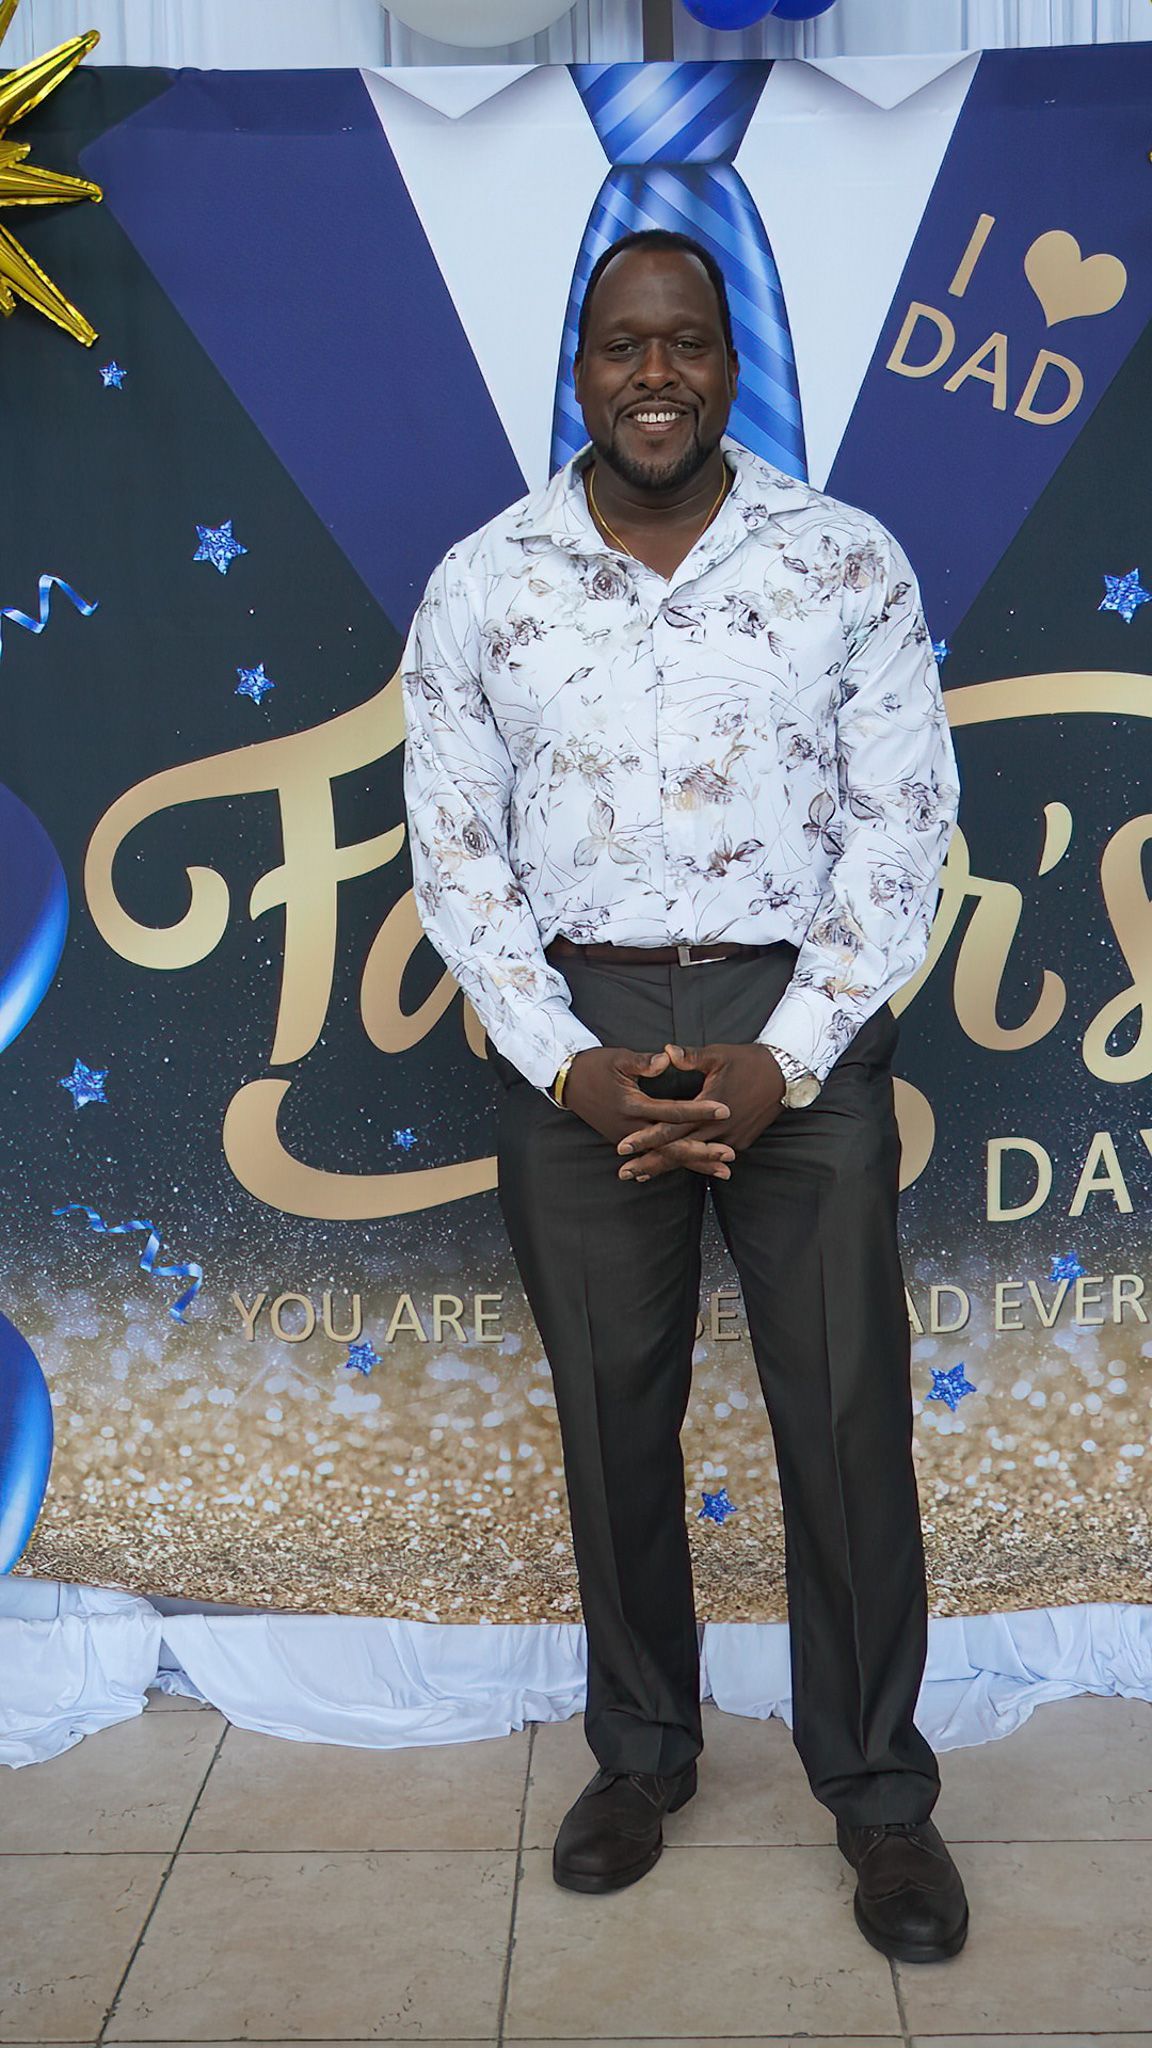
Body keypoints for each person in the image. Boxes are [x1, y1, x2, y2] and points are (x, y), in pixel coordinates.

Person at [402, 228, 965, 1965]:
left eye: (688, 344)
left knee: (848, 1430)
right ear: (577, 371)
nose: (656, 375)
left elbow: (903, 820)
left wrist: (779, 1056)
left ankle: (879, 1799)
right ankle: (641, 1757)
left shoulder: (843, 563)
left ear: (731, 364)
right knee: (609, 1421)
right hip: (572, 1036)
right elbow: (458, 847)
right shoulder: (484, 581)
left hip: (795, 1025)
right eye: (622, 347)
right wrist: (562, 1056)